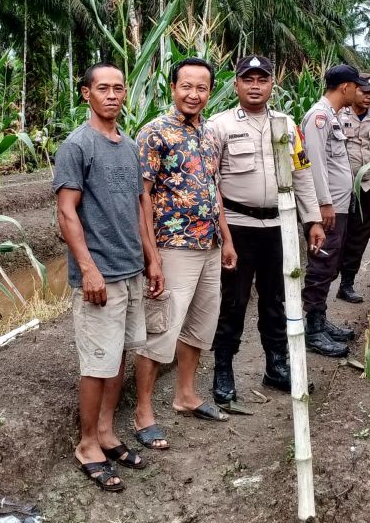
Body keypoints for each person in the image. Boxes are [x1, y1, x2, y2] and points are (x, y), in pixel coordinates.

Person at [53, 63, 164, 492]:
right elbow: (67, 213)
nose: (113, 95)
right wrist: (88, 268)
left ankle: (105, 433)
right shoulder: (77, 146)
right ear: (86, 94)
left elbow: (140, 208)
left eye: (119, 88)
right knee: (96, 365)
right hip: (101, 275)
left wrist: (151, 260)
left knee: (118, 358)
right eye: (103, 88)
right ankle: (86, 445)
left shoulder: (130, 146)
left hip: (131, 269)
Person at [207, 55, 326, 411]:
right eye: (248, 79)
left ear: (273, 84)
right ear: (236, 84)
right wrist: (222, 234)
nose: (255, 86)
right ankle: (223, 369)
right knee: (233, 302)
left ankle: (276, 366)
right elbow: (211, 181)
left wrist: (313, 220)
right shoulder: (219, 125)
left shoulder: (288, 125)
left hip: (279, 227)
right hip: (238, 226)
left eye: (262, 79)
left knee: (277, 299)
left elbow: (302, 174)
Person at [133, 56, 237, 450]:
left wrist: (226, 239)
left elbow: (214, 191)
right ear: (172, 88)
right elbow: (141, 197)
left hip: (208, 244)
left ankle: (186, 395)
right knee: (160, 330)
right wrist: (152, 258)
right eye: (186, 86)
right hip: (172, 246)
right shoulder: (153, 134)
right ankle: (144, 411)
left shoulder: (211, 134)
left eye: (202, 88)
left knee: (199, 326)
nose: (194, 94)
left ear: (210, 92)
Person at [300, 64, 370, 357]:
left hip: (339, 205)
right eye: (357, 87)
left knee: (329, 264)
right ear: (345, 87)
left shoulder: (331, 116)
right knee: (321, 264)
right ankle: (313, 330)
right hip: (328, 207)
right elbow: (313, 163)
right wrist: (324, 204)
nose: (360, 92)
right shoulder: (318, 117)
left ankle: (320, 319)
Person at [336, 72, 370, 304]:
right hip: (342, 187)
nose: (368, 97)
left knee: (361, 233)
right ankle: (324, 281)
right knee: (336, 234)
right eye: (364, 92)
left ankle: (347, 283)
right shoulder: (337, 115)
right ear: (353, 90)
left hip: (365, 186)